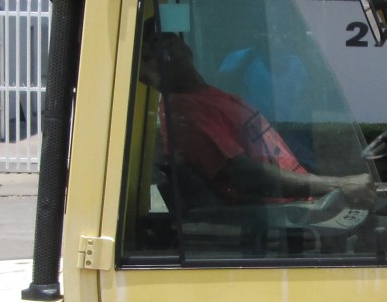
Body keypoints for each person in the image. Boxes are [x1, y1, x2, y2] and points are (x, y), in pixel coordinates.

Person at [149, 33, 367, 207]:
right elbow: (243, 174)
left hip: (300, 200)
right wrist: (338, 185)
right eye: (162, 48)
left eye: (172, 40)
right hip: (283, 215)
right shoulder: (185, 110)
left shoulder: (206, 94)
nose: (171, 44)